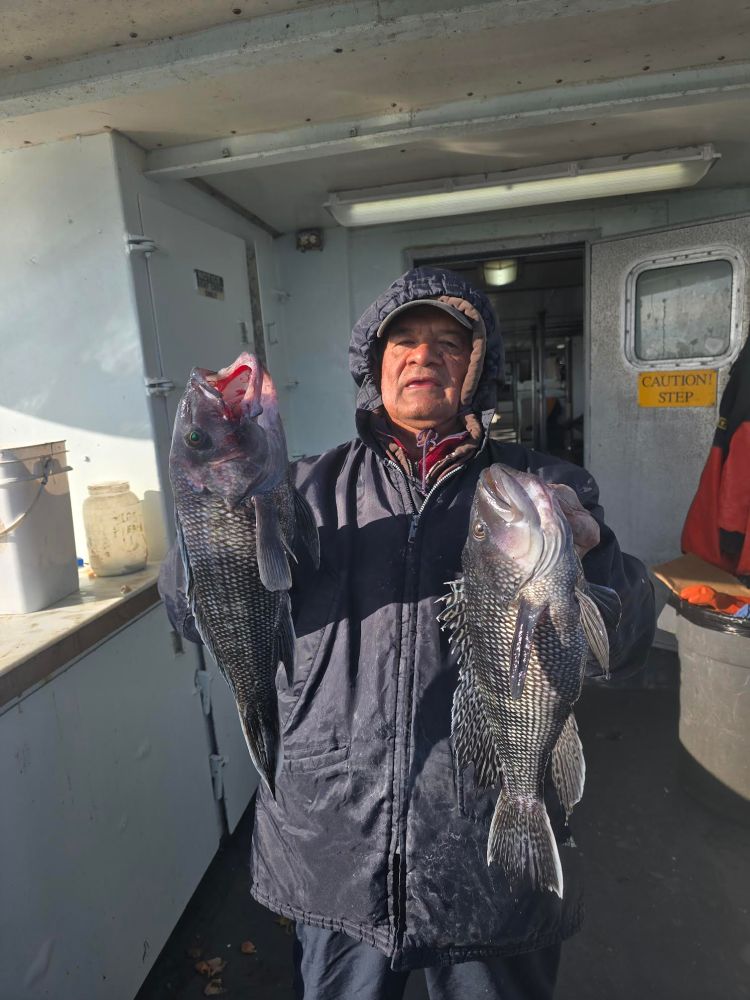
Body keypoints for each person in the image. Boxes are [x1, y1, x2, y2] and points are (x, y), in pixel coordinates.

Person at [160, 266, 655, 999]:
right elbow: (190, 614)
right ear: (376, 365)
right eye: (405, 342)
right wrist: (213, 524)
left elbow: (628, 638)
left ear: (476, 367)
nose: (425, 356)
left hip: (487, 855)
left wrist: (594, 555)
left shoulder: (540, 488)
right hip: (334, 848)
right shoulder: (300, 489)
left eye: (449, 344)